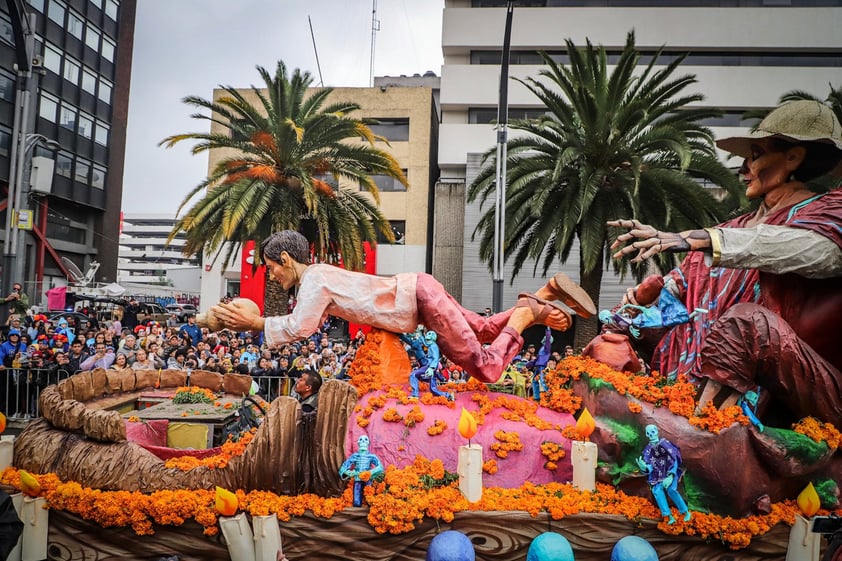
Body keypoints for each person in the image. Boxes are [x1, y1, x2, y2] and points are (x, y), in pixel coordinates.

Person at [609, 100, 842, 428]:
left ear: (793, 157)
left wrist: (695, 238)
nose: (743, 169)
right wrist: (643, 304)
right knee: (618, 328)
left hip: (786, 395)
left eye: (756, 155)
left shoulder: (827, 213)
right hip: (687, 381)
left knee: (746, 323)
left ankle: (709, 429)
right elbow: (682, 286)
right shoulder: (729, 230)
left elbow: (800, 248)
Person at [211, 230, 595, 384]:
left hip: (416, 300)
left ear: (283, 257)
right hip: (418, 290)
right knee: (483, 329)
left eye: (271, 268)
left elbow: (300, 327)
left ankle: (528, 312)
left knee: (487, 368)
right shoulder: (320, 276)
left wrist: (256, 322)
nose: (271, 276)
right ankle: (546, 292)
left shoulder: (314, 280)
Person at [635, 424, 691, 525]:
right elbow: (650, 466)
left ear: (657, 432)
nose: (651, 435)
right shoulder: (648, 450)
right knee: (657, 491)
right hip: (657, 476)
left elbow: (674, 460)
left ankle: (685, 512)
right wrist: (644, 468)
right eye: (648, 433)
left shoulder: (666, 444)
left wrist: (671, 475)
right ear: (646, 435)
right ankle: (669, 516)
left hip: (669, 472)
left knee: (671, 489)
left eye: (653, 432)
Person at [339, 434, 384, 507]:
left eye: (365, 440)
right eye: (361, 440)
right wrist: (348, 472)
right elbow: (343, 468)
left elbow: (380, 467)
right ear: (358, 443)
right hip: (357, 478)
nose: (363, 441)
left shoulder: (372, 456)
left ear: (368, 443)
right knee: (356, 502)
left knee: (369, 500)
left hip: (368, 479)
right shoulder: (355, 456)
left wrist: (370, 473)